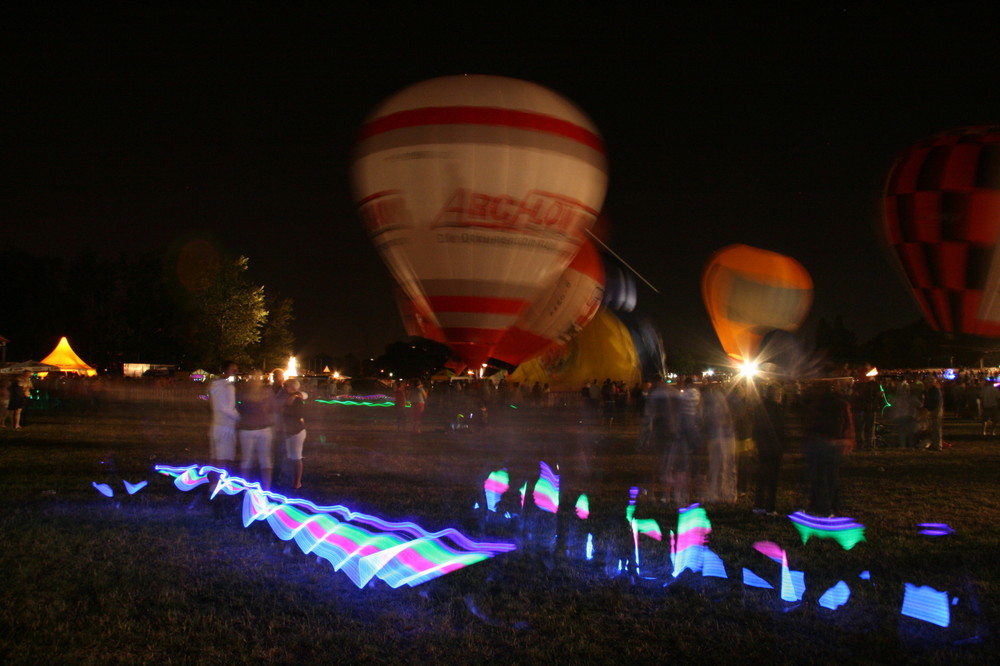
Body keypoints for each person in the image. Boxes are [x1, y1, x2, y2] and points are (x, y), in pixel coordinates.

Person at [804, 381, 854, 517]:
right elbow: (848, 424)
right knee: (832, 477)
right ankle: (831, 506)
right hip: (835, 442)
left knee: (821, 477)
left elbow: (810, 423)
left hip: (821, 441)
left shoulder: (817, 405)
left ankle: (822, 507)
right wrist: (847, 440)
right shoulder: (842, 405)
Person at [752, 383, 785, 515]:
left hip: (762, 446)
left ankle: (758, 505)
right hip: (773, 447)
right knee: (772, 479)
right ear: (776, 395)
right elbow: (779, 430)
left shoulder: (760, 408)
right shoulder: (777, 410)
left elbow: (756, 428)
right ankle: (770, 507)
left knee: (761, 477)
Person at [237, 371, 274, 490]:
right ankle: (266, 489)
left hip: (248, 428)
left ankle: (246, 488)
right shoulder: (266, 393)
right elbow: (271, 409)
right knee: (265, 460)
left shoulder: (243, 393)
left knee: (247, 460)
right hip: (262, 428)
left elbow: (239, 408)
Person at [208, 361, 240, 470]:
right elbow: (227, 408)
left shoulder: (215, 385)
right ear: (226, 370)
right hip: (226, 426)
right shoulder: (227, 387)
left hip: (216, 424)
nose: (235, 372)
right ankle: (217, 484)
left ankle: (213, 483)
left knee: (215, 456)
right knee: (222, 457)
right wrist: (239, 418)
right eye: (233, 370)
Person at [282, 378, 307, 489]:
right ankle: (291, 479)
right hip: (290, 431)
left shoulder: (297, 399)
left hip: (296, 431)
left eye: (286, 386)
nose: (284, 388)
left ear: (292, 387)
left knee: (296, 457)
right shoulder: (290, 397)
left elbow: (298, 414)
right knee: (291, 457)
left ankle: (297, 482)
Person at [923, 376, 943, 451]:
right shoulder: (931, 390)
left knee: (936, 428)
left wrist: (927, 408)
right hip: (933, 410)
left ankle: (937, 445)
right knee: (933, 428)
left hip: (935, 410)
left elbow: (935, 402)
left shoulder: (935, 390)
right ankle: (935, 444)